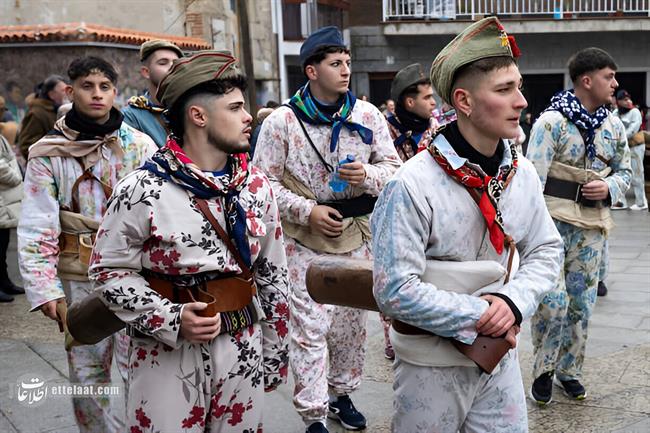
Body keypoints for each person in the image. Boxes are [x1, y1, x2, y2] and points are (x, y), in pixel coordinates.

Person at [370, 17, 563, 432]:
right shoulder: (411, 183)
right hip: (430, 367)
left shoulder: (521, 173)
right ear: (464, 101)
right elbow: (393, 289)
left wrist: (512, 302)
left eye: (519, 87)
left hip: (499, 362)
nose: (522, 101)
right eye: (504, 90)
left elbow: (546, 248)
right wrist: (480, 313)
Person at [88, 50, 290, 432]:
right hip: (165, 350)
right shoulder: (142, 189)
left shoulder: (257, 186)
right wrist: (170, 317)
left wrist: (276, 350)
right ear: (199, 116)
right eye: (235, 108)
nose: (249, 117)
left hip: (243, 345)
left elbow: (273, 273)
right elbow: (106, 271)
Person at [254, 26, 401, 433]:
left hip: (357, 233)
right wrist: (307, 211)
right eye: (335, 63)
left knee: (351, 325)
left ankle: (342, 394)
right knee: (309, 327)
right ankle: (314, 412)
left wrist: (367, 174)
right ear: (312, 70)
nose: (345, 70)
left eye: (348, 62)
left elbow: (395, 172)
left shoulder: (367, 115)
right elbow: (262, 183)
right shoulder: (282, 121)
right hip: (305, 238)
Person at [18, 56, 157, 433]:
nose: (97, 94)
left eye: (105, 87)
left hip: (136, 275)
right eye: (87, 86)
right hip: (78, 279)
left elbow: (158, 211)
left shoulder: (140, 148)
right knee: (88, 373)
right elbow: (36, 225)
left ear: (115, 92)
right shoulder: (48, 152)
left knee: (142, 369)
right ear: (70, 90)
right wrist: (45, 289)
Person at [527, 47, 631, 404]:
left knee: (581, 305)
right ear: (587, 80)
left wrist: (609, 187)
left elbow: (626, 172)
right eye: (609, 76)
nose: (615, 84)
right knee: (552, 301)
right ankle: (543, 369)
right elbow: (531, 179)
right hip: (551, 222)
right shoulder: (550, 122)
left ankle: (569, 371)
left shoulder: (614, 125)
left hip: (591, 225)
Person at [122, 39, 183, 147]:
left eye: (176, 63)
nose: (171, 67)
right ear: (146, 72)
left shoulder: (190, 109)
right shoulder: (131, 116)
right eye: (163, 63)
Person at [386, 63, 437, 162]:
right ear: (410, 102)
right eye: (427, 97)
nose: (433, 103)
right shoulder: (386, 131)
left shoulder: (435, 128)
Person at [16, 75, 68, 159]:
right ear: (51, 94)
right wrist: (49, 162)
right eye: (63, 91)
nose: (67, 94)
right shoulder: (36, 113)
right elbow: (27, 146)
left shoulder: (58, 111)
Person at [612, 89, 646, 210]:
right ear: (618, 101)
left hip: (635, 146)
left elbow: (633, 128)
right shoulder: (615, 113)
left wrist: (620, 138)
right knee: (619, 173)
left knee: (637, 174)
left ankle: (641, 202)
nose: (628, 102)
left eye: (629, 99)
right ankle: (621, 202)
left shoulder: (635, 112)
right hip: (622, 148)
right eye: (624, 100)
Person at [0, 133, 23, 302]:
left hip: (5, 199)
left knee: (3, 243)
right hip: (3, 195)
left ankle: (4, 281)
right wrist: (16, 177)